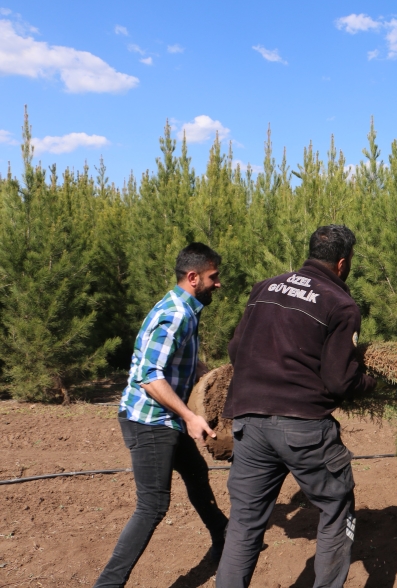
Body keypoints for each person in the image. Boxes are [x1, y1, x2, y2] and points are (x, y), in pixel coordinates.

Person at [215, 225, 375, 588]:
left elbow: (236, 350)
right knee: (335, 509)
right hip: (303, 427)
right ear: (341, 263)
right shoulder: (340, 304)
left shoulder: (265, 287)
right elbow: (339, 380)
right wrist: (371, 383)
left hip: (248, 423)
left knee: (243, 523)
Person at [94, 243, 229, 588]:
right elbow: (150, 375)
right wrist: (189, 416)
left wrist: (202, 371)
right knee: (152, 506)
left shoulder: (185, 307)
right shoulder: (176, 315)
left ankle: (225, 537)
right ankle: (107, 584)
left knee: (197, 474)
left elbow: (170, 361)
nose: (218, 283)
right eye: (214, 277)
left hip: (163, 418)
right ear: (193, 276)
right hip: (151, 422)